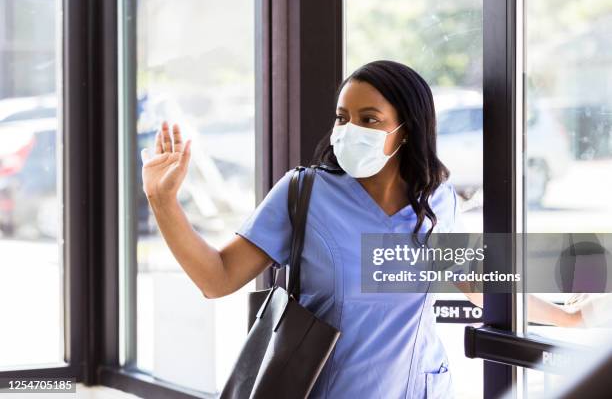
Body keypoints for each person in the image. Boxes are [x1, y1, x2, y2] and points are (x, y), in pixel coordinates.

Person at [140, 60, 583, 399]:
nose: (351, 130)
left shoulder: (437, 200)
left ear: (405, 131)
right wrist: (164, 202)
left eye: (369, 119)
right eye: (342, 117)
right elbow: (217, 278)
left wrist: (568, 316)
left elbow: (479, 284)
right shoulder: (304, 193)